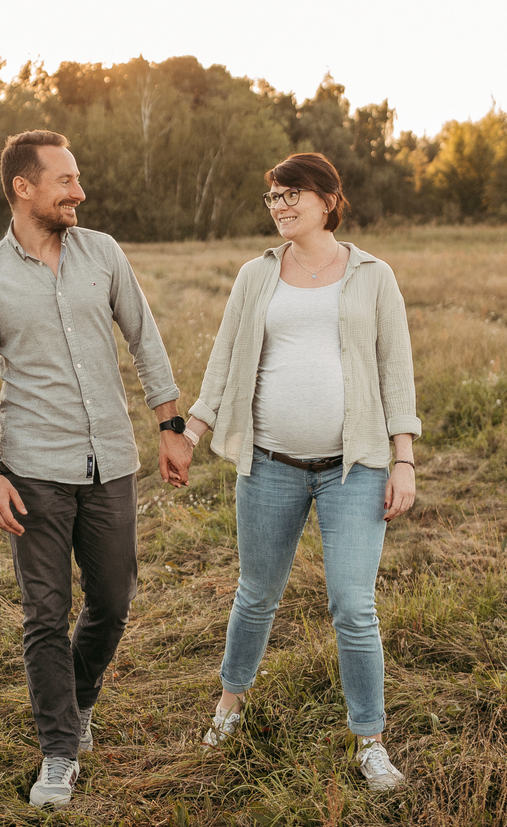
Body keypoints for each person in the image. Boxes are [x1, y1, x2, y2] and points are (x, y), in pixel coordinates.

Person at [0, 130, 190, 810]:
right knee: (44, 614)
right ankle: (58, 751)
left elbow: (146, 341)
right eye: (65, 181)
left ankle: (79, 698)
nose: (79, 192)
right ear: (24, 188)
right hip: (32, 472)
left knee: (112, 603)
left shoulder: (103, 253)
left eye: (78, 179)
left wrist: (171, 428)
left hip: (111, 461)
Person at [179, 152, 420, 792]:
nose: (281, 206)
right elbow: (225, 362)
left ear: (327, 199)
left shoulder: (372, 275)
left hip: (356, 469)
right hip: (270, 466)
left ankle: (370, 742)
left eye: (294, 195)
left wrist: (404, 460)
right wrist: (192, 432)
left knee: (353, 606)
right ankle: (229, 705)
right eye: (274, 197)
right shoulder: (256, 276)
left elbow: (397, 373)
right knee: (256, 595)